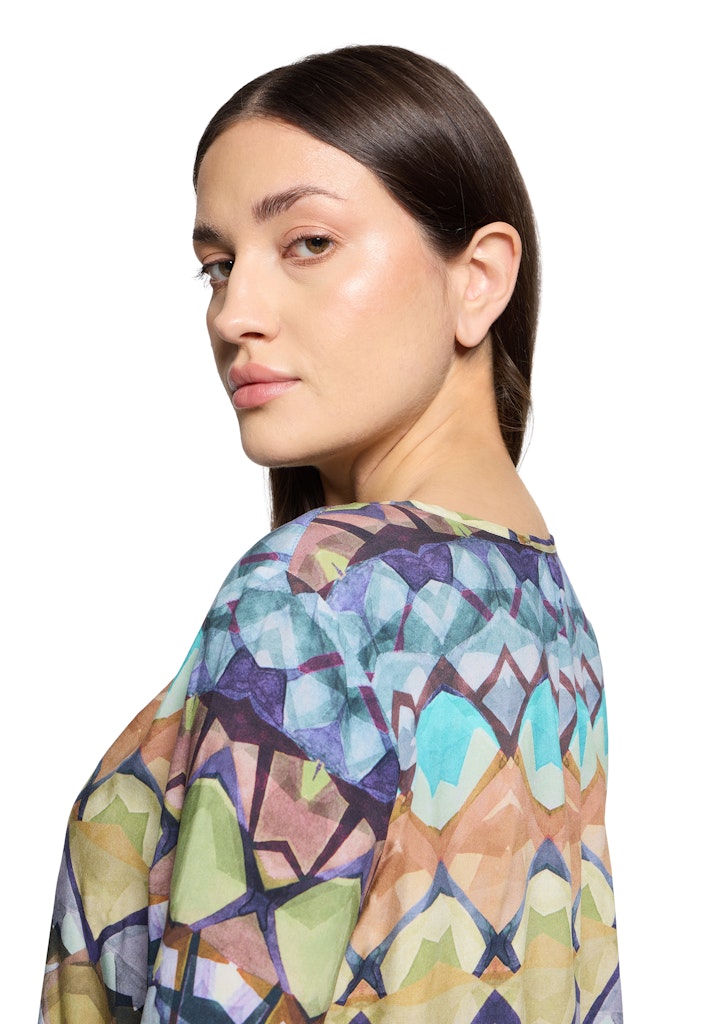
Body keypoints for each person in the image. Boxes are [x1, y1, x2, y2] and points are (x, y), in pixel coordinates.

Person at [40, 44, 623, 1024]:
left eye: (308, 243)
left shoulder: (310, 597)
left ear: (478, 279)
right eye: (217, 266)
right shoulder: (550, 617)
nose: (235, 313)